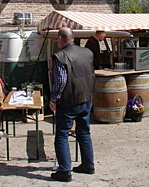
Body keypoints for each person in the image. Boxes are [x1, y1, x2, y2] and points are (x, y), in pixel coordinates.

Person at [50, 27, 95, 182]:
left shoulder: (60, 56)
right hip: (86, 98)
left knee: (61, 135)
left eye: (57, 39)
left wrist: (54, 99)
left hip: (69, 102)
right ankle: (88, 165)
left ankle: (64, 171)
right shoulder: (87, 52)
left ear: (61, 39)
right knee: (84, 132)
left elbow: (61, 81)